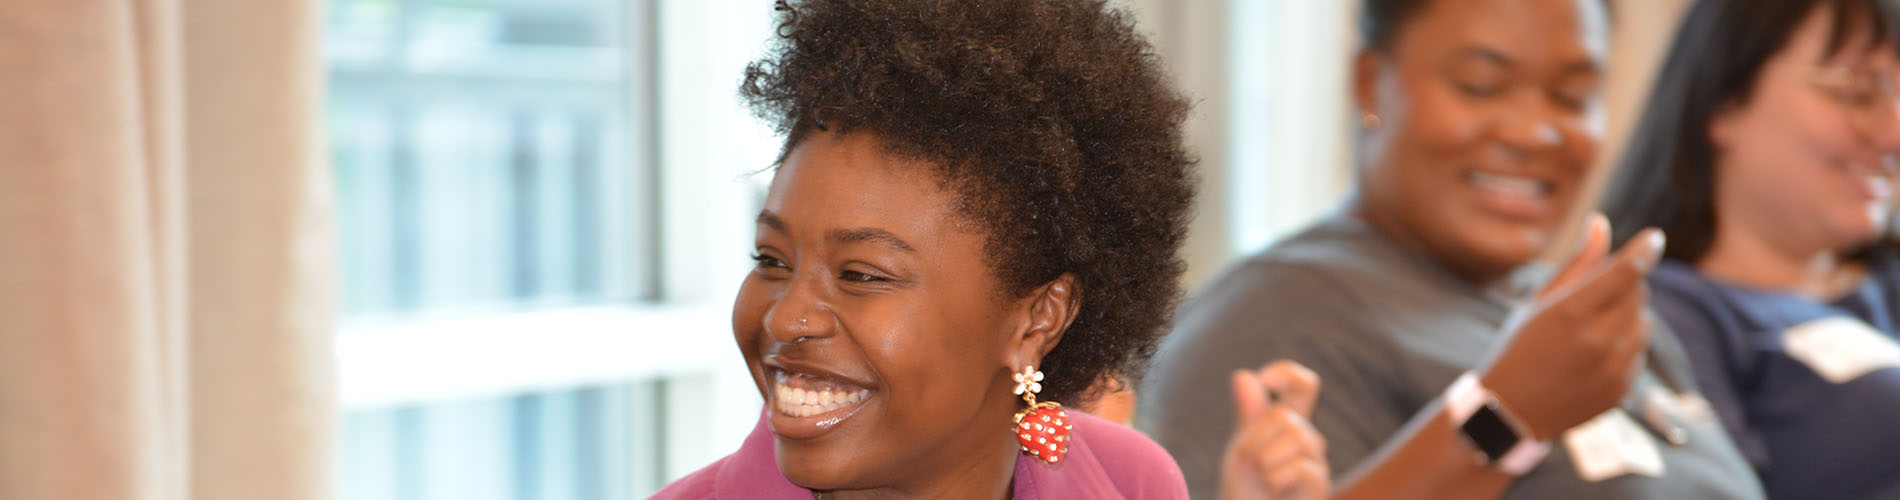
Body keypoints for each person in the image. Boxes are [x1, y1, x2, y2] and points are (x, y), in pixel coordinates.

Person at [647, 0, 1328, 497]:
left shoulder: (1130, 480)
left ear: (1039, 318)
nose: (785, 318)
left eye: (860, 273)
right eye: (771, 260)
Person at [1141, 0, 1767, 498]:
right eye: (1481, 85)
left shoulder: (1588, 316)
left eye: (1573, 97)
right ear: (1369, 84)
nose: (1535, 132)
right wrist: (1504, 416)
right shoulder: (1277, 314)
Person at [1602, 1, 1900, 498]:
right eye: (1855, 90)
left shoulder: (1886, 277)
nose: (1892, 132)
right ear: (1724, 104)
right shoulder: (1667, 314)